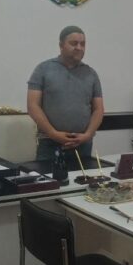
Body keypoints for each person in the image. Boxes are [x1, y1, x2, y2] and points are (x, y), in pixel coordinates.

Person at [27, 25, 104, 163]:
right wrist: (53, 133)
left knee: (83, 177)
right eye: (74, 43)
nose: (79, 47)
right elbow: (33, 106)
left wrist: (88, 135)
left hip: (83, 145)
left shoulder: (91, 74)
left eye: (83, 44)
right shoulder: (43, 70)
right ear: (61, 45)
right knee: (48, 178)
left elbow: (98, 109)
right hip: (50, 144)